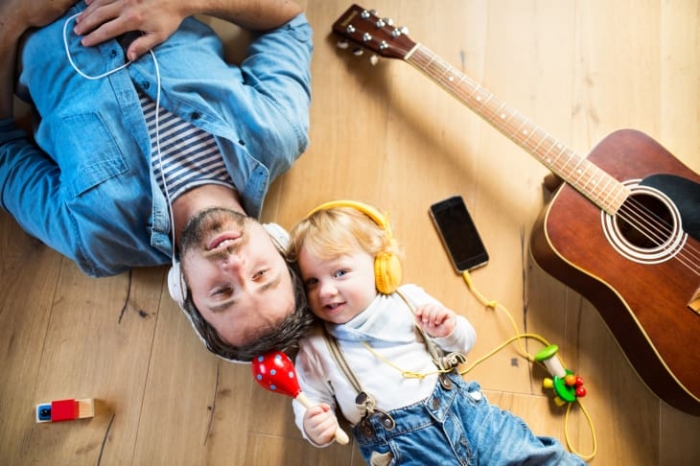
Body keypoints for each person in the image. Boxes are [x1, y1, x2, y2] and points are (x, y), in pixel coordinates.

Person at [0, 0, 315, 361]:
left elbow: (2, 148)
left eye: (223, 293)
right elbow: (289, 18)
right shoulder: (276, 132)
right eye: (262, 273)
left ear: (185, 292)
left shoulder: (96, 237)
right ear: (278, 244)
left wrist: (12, 19)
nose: (234, 265)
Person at [286, 200, 587, 465]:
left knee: (537, 459)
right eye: (312, 281)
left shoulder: (408, 300)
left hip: (471, 420)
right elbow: (309, 399)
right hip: (405, 452)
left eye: (340, 273)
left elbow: (465, 343)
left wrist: (449, 329)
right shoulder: (316, 345)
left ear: (381, 266)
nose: (326, 290)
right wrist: (314, 427)